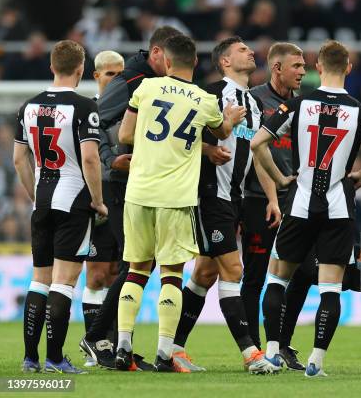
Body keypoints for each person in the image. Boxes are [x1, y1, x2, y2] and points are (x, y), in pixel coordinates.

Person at [251, 40, 361, 377]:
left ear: (318, 67)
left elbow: (258, 143)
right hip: (338, 209)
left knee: (276, 280)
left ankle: (272, 353)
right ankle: (316, 361)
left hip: (301, 202)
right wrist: (360, 173)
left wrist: (280, 178)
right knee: (330, 288)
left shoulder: (298, 105)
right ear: (348, 68)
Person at [114, 33, 245, 372]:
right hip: (176, 196)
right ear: (196, 62)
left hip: (139, 191)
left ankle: (123, 344)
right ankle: (163, 353)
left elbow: (125, 136)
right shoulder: (204, 99)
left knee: (137, 270)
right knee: (172, 274)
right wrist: (230, 117)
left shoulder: (146, 89)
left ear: (167, 62)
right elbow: (223, 133)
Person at [171, 36, 280, 374]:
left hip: (234, 197)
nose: (250, 51)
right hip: (208, 193)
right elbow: (179, 136)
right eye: (241, 49)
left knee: (204, 273)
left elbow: (259, 156)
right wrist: (207, 150)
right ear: (225, 62)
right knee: (233, 271)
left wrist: (273, 197)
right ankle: (251, 354)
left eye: (249, 48)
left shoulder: (256, 103)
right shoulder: (211, 94)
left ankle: (172, 349)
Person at [79, 26, 183, 370]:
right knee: (132, 263)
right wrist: (110, 161)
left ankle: (116, 343)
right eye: (167, 59)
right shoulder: (129, 80)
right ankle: (96, 338)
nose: (171, 66)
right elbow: (97, 121)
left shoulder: (156, 83)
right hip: (114, 181)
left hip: (134, 181)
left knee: (135, 262)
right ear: (155, 54)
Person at [14, 40, 107, 374]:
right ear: (81, 69)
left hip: (43, 200)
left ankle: (30, 359)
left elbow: (18, 159)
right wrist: (97, 201)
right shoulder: (84, 107)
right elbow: (90, 158)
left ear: (52, 67)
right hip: (74, 201)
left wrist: (34, 194)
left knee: (39, 281)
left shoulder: (28, 106)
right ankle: (54, 357)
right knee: (64, 282)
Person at [241, 42, 306, 369]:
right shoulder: (254, 100)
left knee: (301, 273)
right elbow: (249, 151)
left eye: (304, 66)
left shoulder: (304, 106)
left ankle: (282, 344)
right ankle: (253, 350)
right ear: (277, 67)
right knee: (254, 276)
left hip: (296, 199)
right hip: (257, 200)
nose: (303, 71)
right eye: (297, 66)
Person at [82, 50, 124, 367]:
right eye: (110, 74)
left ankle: (117, 345)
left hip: (127, 194)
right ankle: (96, 347)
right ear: (96, 76)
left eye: (120, 74)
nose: (115, 80)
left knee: (118, 273)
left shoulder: (132, 110)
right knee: (96, 275)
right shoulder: (88, 110)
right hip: (97, 197)